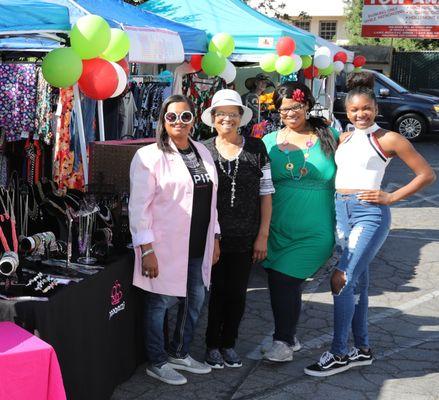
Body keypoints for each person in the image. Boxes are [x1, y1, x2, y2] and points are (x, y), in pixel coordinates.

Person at [304, 72, 436, 377]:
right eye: (354, 110)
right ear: (346, 112)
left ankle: (338, 352)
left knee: (341, 278)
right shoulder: (345, 137)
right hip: (341, 210)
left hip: (369, 213)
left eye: (366, 108)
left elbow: (426, 174)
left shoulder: (388, 138)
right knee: (358, 284)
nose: (360, 114)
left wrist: (390, 197)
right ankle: (361, 349)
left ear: (375, 109)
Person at [129, 94, 221, 385]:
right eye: (172, 117)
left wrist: (215, 236)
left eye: (185, 116)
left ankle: (179, 352)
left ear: (194, 120)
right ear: (162, 120)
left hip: (197, 244)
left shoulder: (203, 153)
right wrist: (146, 250)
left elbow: (211, 200)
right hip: (164, 245)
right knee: (161, 303)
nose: (179, 122)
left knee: (193, 300)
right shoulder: (148, 155)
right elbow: (138, 206)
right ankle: (157, 361)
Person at [261, 82, 339, 362]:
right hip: (276, 227)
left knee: (285, 279)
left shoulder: (331, 136)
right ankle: (289, 336)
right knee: (281, 282)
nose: (290, 113)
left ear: (306, 105)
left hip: (316, 229)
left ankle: (281, 342)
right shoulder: (268, 142)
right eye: (283, 110)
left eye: (295, 107)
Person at [201, 89, 275, 368]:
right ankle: (211, 345)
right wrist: (212, 236)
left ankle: (228, 343)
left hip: (246, 235)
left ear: (241, 117)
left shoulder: (256, 148)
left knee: (237, 292)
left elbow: (266, 193)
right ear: (213, 117)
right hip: (213, 235)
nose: (227, 119)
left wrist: (263, 235)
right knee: (216, 291)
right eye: (222, 114)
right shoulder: (203, 149)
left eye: (233, 114)